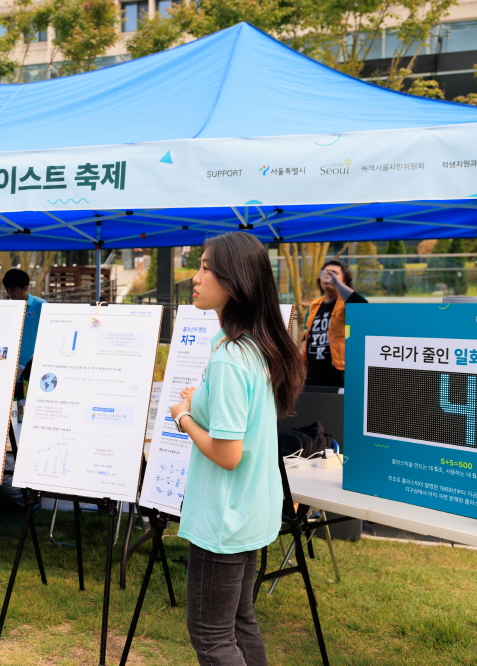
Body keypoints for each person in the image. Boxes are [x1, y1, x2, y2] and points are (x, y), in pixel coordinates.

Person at [169, 231, 305, 666]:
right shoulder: (253, 347)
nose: (196, 276)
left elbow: (228, 454)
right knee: (240, 621)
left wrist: (182, 417)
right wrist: (201, 402)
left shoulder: (230, 358)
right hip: (250, 511)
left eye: (207, 268)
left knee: (211, 636)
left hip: (224, 519)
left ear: (236, 280)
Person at [302, 259, 368, 388]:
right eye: (325, 273)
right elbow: (305, 338)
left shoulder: (347, 302)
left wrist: (336, 284)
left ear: (344, 281)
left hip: (338, 372)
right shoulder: (314, 305)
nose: (328, 276)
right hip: (312, 372)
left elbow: (362, 306)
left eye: (334, 273)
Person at [2, 268, 46, 369]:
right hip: (11, 361)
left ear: (25, 287)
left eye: (14, 290)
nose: (10, 294)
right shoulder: (6, 307)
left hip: (34, 361)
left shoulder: (40, 305)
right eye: (7, 289)